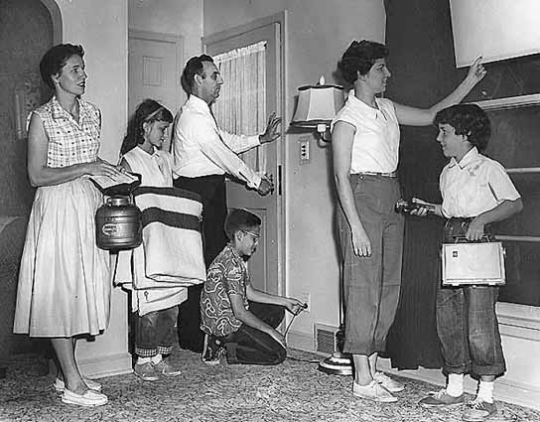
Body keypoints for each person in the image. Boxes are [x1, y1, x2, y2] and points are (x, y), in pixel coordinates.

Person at [331, 40, 486, 402]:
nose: (388, 74)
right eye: (381, 68)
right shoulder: (345, 119)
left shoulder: (385, 108)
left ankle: (370, 366)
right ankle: (361, 379)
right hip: (361, 197)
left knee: (387, 287)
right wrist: (355, 227)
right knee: (362, 288)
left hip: (391, 194)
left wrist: (469, 82)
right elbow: (340, 178)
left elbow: (433, 114)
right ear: (361, 74)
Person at [13, 44, 124, 407]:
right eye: (75, 70)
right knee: (61, 291)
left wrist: (112, 171)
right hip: (57, 208)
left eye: (83, 68)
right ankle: (74, 383)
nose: (83, 75)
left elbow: (91, 160)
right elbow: (35, 175)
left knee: (80, 288)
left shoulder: (93, 113)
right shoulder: (41, 118)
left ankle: (66, 373)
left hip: (87, 205)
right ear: (55, 77)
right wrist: (87, 168)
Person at [414, 104, 522, 422]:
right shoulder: (448, 171)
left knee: (478, 321)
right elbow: (450, 211)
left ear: (466, 135)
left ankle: (486, 396)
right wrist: (428, 209)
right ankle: (454, 388)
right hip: (452, 238)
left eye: (445, 132)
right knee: (447, 316)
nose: (438, 139)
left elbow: (514, 203)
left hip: (479, 242)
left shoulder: (490, 168)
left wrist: (482, 220)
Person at [171, 54, 281, 353]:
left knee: (211, 265)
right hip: (198, 195)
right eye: (214, 75)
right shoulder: (193, 117)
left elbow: (224, 142)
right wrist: (255, 180)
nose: (220, 81)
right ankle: (194, 337)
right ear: (198, 79)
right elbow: (222, 155)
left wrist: (260, 138)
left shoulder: (201, 114)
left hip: (208, 193)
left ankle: (206, 333)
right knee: (201, 267)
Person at [118, 99, 184, 381]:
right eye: (161, 128)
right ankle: (143, 358)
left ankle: (160, 355)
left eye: (167, 129)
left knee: (171, 302)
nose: (164, 135)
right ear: (145, 127)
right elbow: (123, 202)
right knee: (149, 303)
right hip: (145, 241)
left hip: (167, 239)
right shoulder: (130, 160)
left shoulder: (164, 159)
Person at [200, 208, 304, 366]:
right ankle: (225, 344)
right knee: (277, 354)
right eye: (254, 238)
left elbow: (250, 292)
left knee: (276, 310)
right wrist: (271, 332)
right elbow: (240, 312)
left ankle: (244, 339)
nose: (256, 244)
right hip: (227, 323)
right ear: (240, 235)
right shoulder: (231, 265)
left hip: (233, 315)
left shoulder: (233, 257)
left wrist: (286, 301)